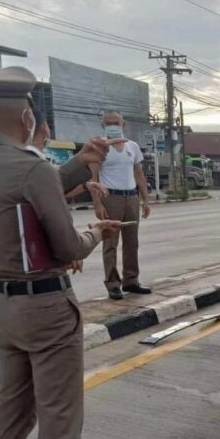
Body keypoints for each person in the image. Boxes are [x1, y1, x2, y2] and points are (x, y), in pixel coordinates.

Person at [0, 66, 122, 439]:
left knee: (12, 412)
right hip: (48, 308)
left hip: (5, 307)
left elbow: (19, 194)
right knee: (59, 419)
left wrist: (79, 165)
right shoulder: (33, 168)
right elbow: (66, 248)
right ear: (28, 118)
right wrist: (95, 233)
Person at [91, 110, 152, 300]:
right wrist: (97, 203)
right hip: (111, 197)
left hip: (131, 197)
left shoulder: (132, 147)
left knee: (132, 242)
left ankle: (131, 280)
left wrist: (145, 199)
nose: (113, 126)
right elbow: (93, 177)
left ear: (123, 124)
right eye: (109, 123)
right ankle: (112, 283)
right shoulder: (99, 147)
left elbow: (138, 173)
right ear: (103, 125)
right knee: (110, 243)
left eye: (116, 122)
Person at [28, 109, 109, 201]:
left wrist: (85, 186)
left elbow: (57, 185)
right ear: (44, 128)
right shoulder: (33, 162)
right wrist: (80, 159)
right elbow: (49, 184)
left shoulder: (25, 160)